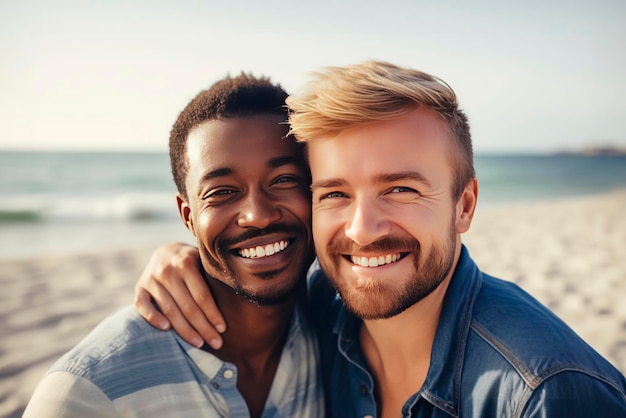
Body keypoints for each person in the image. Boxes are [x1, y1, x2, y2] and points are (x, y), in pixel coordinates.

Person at [135, 61, 626, 417]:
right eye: (334, 194)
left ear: (465, 206)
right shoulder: (322, 305)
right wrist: (180, 256)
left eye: (400, 188)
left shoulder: (543, 395)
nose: (361, 229)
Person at [23, 74, 324, 418]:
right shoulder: (88, 392)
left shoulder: (335, 328)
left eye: (284, 180)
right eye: (222, 191)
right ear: (188, 216)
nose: (257, 215)